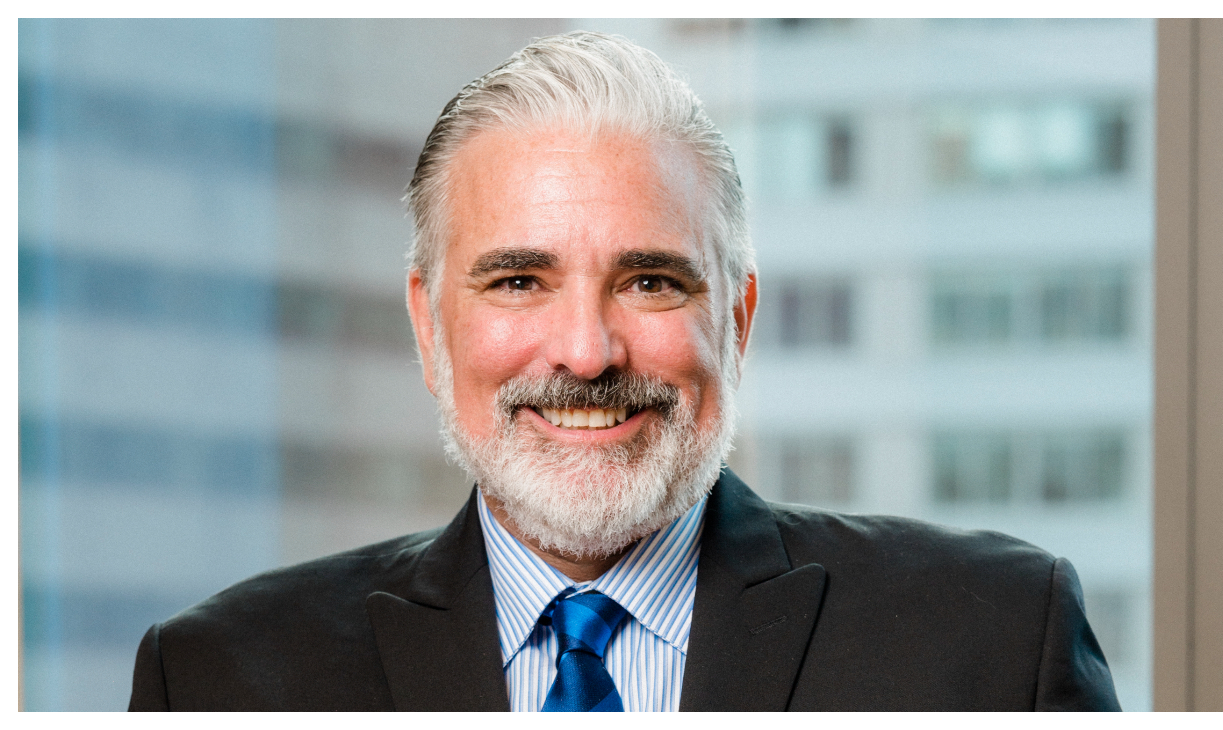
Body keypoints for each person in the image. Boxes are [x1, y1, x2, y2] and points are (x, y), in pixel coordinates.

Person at [128, 31, 1121, 712]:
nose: (587, 351)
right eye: (517, 279)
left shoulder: (995, 643)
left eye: (648, 280)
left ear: (734, 321)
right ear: (430, 329)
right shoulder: (218, 678)